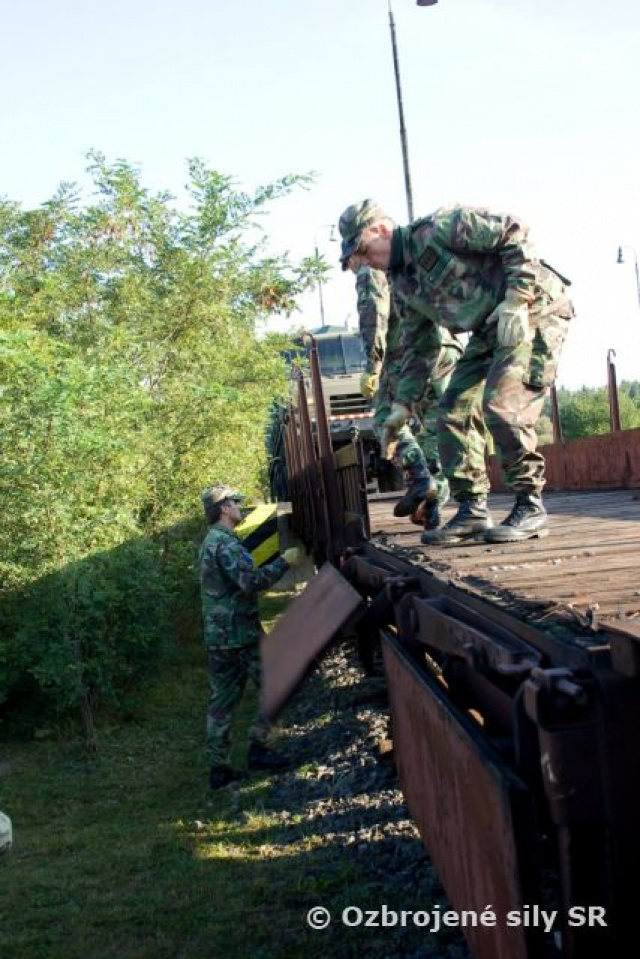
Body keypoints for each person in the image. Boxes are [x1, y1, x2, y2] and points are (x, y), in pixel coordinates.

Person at [338, 199, 574, 545]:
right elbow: (420, 348)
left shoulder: (439, 228)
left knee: (501, 406)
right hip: (490, 325)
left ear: (381, 230)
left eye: (363, 249)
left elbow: (513, 230)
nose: (365, 261)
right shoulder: (402, 284)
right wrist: (402, 406)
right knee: (453, 410)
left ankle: (530, 505)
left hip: (535, 308)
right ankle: (473, 509)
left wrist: (516, 298)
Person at [199, 484, 302, 790]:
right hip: (240, 632)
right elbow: (250, 582)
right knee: (277, 684)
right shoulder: (226, 544)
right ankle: (260, 748)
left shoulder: (209, 542)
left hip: (219, 635)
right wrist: (285, 561)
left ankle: (219, 770)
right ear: (223, 509)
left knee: (222, 702)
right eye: (234, 502)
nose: (239, 507)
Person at [355, 262, 462, 529]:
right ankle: (432, 509)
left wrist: (372, 365)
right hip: (446, 348)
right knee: (438, 429)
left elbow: (374, 314)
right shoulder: (414, 258)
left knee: (385, 420)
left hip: (407, 351)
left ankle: (419, 479)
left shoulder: (372, 267)